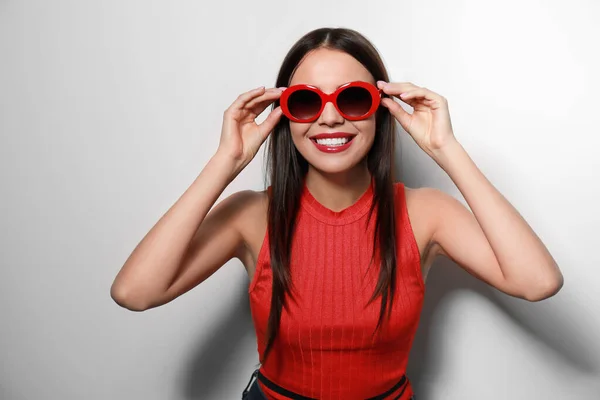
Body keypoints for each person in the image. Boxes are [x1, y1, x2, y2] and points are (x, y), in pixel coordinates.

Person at [110, 27, 564, 400]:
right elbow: (135, 292)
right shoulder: (252, 215)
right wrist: (225, 163)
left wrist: (446, 149)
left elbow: (537, 282)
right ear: (284, 115)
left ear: (379, 111)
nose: (329, 118)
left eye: (351, 99)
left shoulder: (425, 213)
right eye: (306, 101)